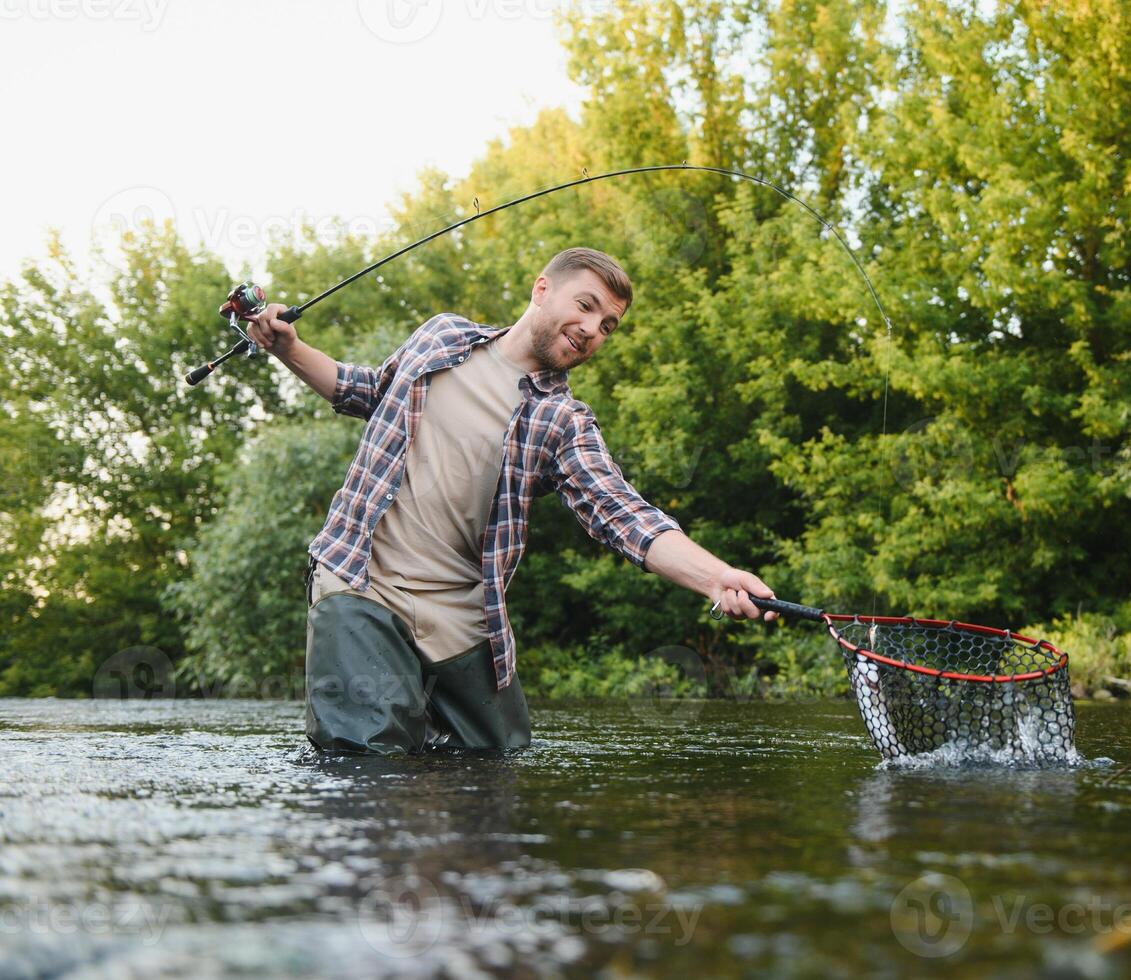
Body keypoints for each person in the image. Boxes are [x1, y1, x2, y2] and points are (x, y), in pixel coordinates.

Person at [245, 247, 776, 755]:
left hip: (464, 611)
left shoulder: (563, 422)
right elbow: (369, 391)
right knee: (368, 755)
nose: (593, 329)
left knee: (498, 760)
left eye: (607, 325)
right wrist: (288, 347)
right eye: (586, 306)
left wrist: (716, 577)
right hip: (361, 579)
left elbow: (622, 513)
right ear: (542, 289)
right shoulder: (442, 336)